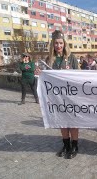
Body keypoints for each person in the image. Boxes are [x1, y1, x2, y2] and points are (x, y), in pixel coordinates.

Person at [37, 30, 79, 159]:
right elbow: (45, 77)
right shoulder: (49, 59)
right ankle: (66, 145)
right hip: (56, 96)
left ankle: (75, 146)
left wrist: (70, 72)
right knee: (62, 122)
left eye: (60, 43)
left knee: (73, 122)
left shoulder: (71, 57)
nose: (58, 46)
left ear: (64, 43)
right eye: (56, 43)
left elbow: (79, 75)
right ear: (52, 44)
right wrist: (39, 73)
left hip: (70, 95)